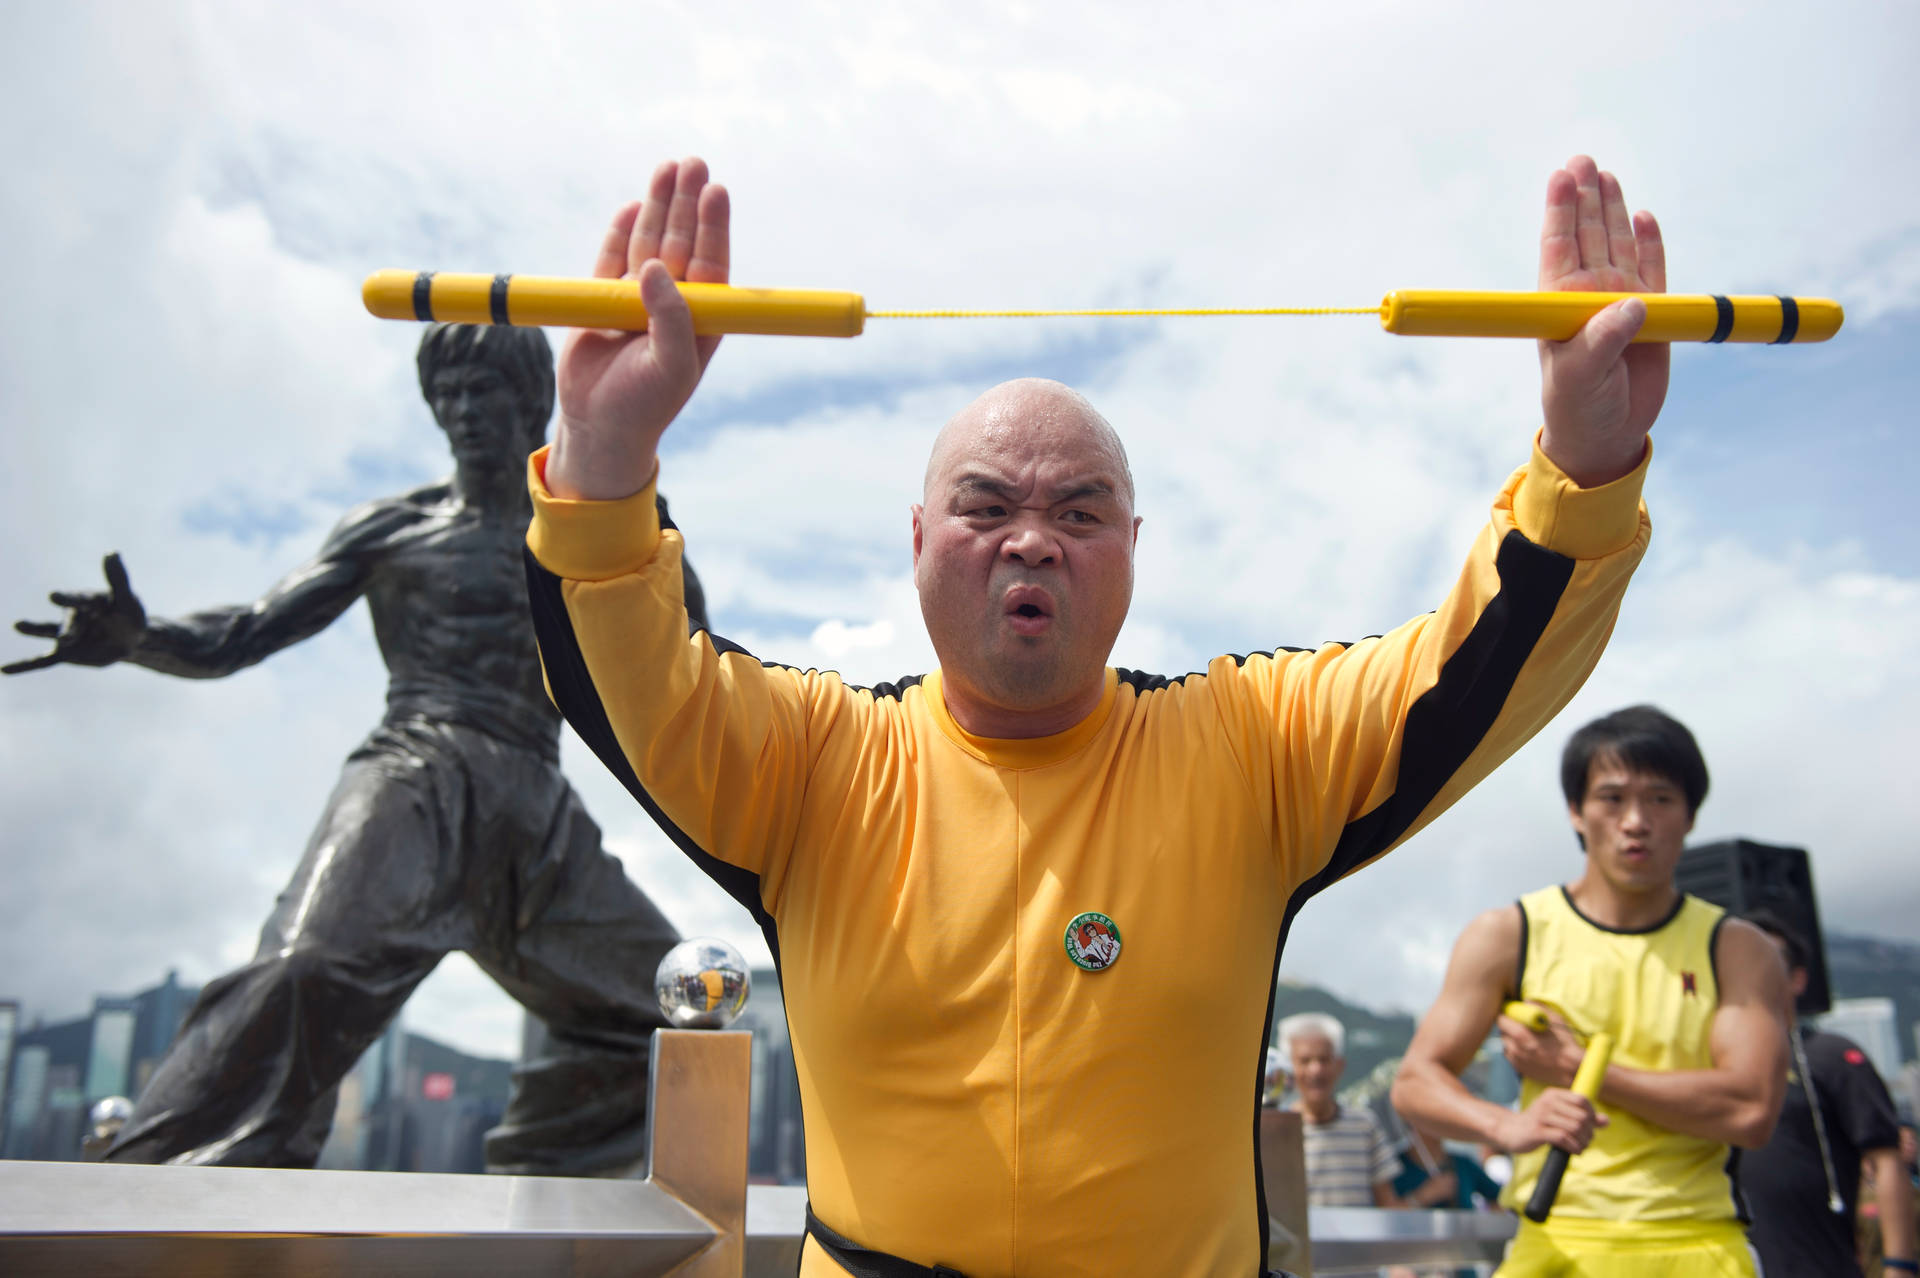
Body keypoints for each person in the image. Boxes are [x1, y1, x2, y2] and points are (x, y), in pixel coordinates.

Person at [525, 152, 1662, 1277]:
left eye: (1079, 510)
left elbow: (1475, 674)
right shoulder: (815, 759)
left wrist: (1588, 459)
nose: (1032, 537)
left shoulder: (1251, 745)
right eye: (986, 506)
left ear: (1131, 550)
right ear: (918, 541)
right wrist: (606, 455)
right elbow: (627, 680)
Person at [6, 323, 699, 1175]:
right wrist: (140, 637)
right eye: (447, 394)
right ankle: (153, 1200)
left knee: (670, 1010)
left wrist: (641, 528)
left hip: (533, 806)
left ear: (532, 401)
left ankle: (558, 1208)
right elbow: (248, 630)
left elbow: (691, 660)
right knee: (302, 971)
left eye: (484, 391)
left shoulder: (605, 521)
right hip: (417, 773)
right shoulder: (390, 528)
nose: (463, 410)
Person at [1392, 705, 1790, 1276]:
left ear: (1690, 816)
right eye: (1611, 798)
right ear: (1576, 812)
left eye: (1660, 799)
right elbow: (1414, 1083)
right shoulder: (1509, 935)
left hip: (1699, 1242)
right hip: (1554, 1241)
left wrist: (1581, 1068)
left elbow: (1750, 1110)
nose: (1635, 821)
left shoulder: (1737, 948)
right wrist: (1507, 1126)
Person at [1741, 909, 1916, 1278]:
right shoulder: (1710, 1062)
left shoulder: (1833, 1056)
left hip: (1821, 1264)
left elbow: (1887, 1160)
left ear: (1798, 979)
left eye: (1767, 963)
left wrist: (1899, 1264)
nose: (1752, 974)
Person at [1279, 1013, 1404, 1208]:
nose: (1315, 1070)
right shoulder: (1277, 1131)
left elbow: (1387, 1202)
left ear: (1339, 1065)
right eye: (1305, 1061)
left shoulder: (1365, 1125)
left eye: (1323, 1060)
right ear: (1289, 1069)